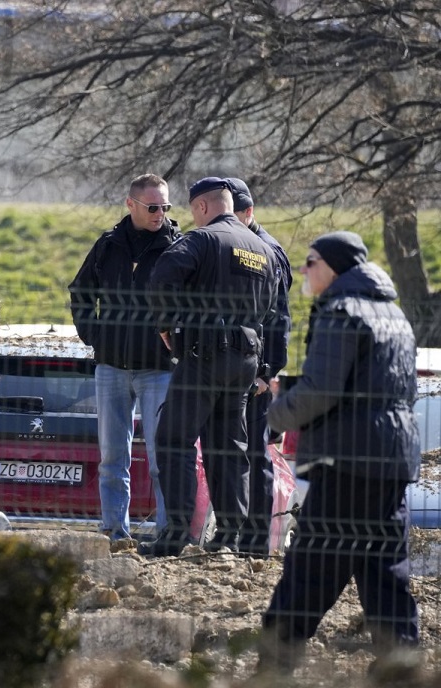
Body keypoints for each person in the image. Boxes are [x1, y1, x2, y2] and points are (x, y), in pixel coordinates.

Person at [259, 232, 419, 672]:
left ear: (332, 266)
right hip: (391, 460)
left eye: (310, 261)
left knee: (310, 569)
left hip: (345, 462)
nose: (304, 270)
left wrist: (274, 417)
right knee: (385, 572)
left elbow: (321, 390)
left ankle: (272, 670)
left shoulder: (341, 311)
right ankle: (403, 669)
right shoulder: (395, 316)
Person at [142, 177, 280, 557]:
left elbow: (162, 277)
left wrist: (167, 325)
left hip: (203, 355)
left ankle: (176, 533)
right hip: (245, 361)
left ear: (202, 207)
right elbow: (271, 307)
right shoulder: (263, 249)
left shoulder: (202, 240)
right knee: (230, 447)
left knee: (175, 439)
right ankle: (229, 537)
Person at [68, 173, 180, 542]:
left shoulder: (177, 247)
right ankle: (114, 533)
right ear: (130, 204)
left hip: (159, 370)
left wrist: (176, 341)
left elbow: (195, 302)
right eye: (153, 207)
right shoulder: (108, 245)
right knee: (112, 459)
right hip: (111, 367)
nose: (160, 213)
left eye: (165, 206)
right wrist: (95, 335)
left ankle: (167, 535)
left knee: (163, 459)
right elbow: (81, 291)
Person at [226, 178, 292, 555]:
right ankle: (234, 539)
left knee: (254, 456)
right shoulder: (232, 243)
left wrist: (268, 372)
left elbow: (278, 319)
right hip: (233, 367)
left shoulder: (267, 250)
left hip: (256, 374)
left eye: (231, 214)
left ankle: (254, 546)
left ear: (248, 212)